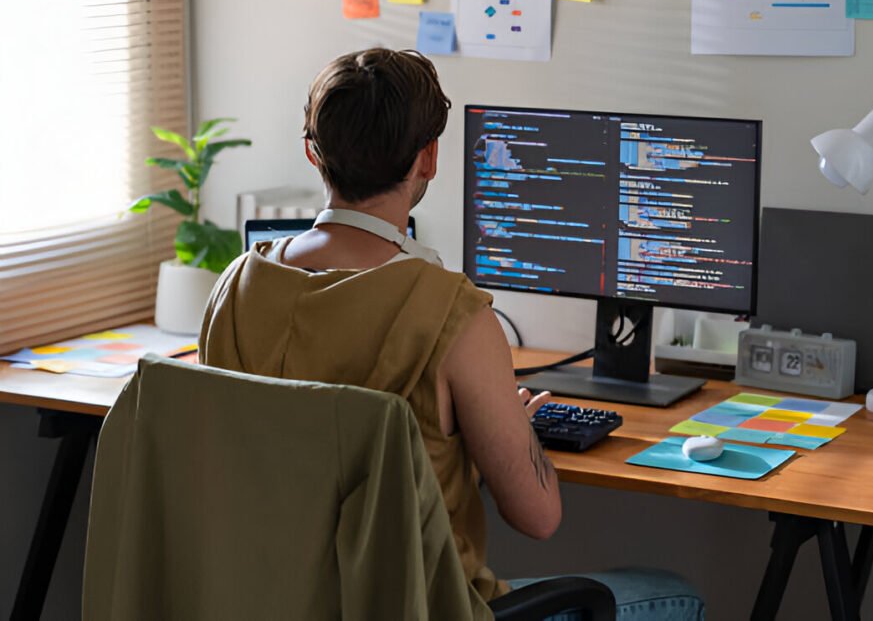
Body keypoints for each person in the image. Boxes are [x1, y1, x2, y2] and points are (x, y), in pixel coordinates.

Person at [200, 48, 703, 620]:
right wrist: (510, 424)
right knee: (672, 592)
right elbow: (539, 518)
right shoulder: (450, 313)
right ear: (429, 158)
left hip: (274, 605)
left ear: (313, 153)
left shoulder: (234, 290)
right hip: (423, 608)